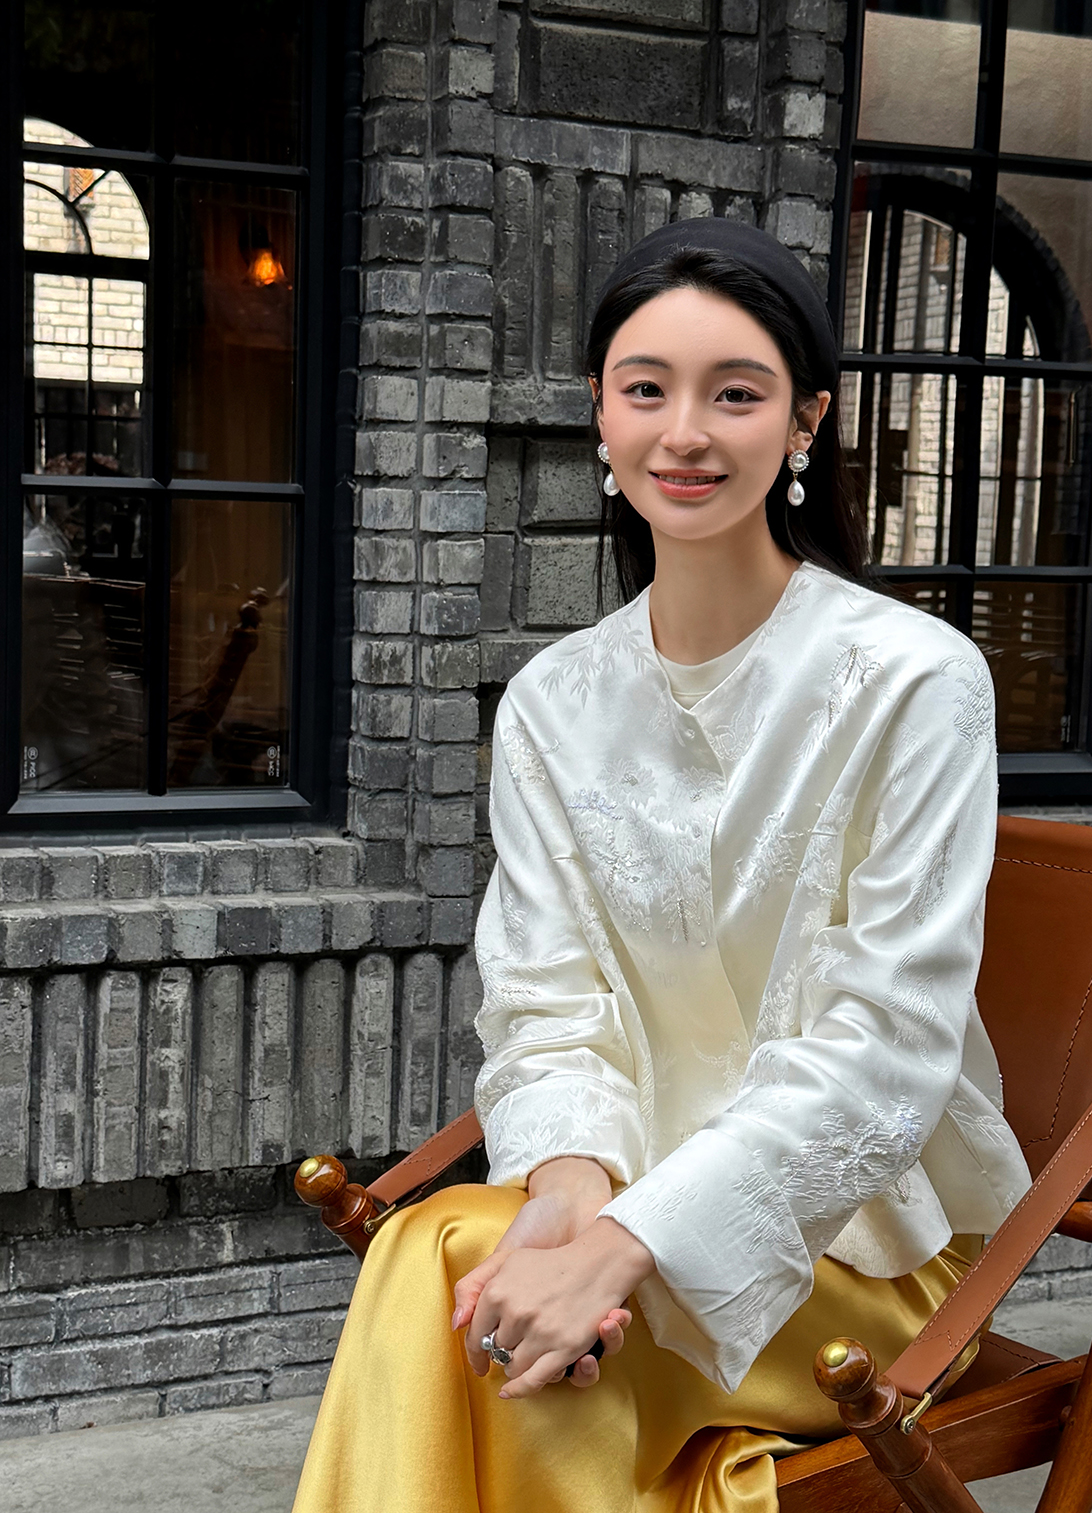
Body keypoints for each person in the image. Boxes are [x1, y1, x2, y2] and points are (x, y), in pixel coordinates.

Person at [291, 219, 1032, 1513]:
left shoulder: (914, 681)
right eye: (647, 388)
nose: (685, 432)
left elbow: (886, 1045)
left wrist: (629, 1245)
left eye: (734, 393)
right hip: (621, 1189)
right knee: (487, 1292)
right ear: (602, 410)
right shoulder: (554, 701)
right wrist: (571, 1196)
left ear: (805, 420)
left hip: (873, 1248)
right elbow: (545, 1002)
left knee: (454, 1281)